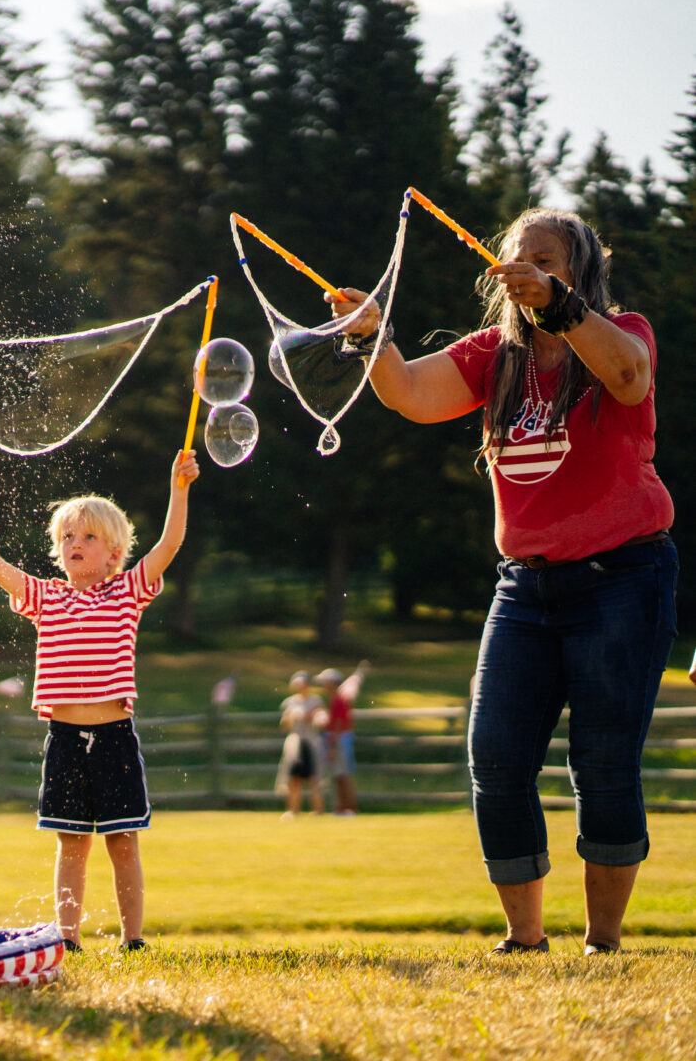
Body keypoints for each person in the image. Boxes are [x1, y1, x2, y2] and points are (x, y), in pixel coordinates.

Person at [337, 207, 676, 955]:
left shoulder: (625, 334)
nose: (523, 269)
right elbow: (412, 396)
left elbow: (627, 378)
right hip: (524, 587)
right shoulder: (492, 353)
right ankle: (524, 940)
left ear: (579, 272)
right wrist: (372, 335)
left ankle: (603, 943)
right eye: (516, 259)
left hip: (622, 576)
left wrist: (559, 308)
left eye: (545, 259)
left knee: (603, 763)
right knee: (494, 756)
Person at [0, 449, 199, 954]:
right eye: (67, 536)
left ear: (114, 553)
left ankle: (133, 940)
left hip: (113, 737)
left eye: (89, 537)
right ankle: (68, 939)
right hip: (65, 738)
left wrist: (179, 490)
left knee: (123, 842)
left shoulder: (128, 591)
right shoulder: (47, 598)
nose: (75, 544)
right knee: (72, 843)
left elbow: (170, 543)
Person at [276, 672, 327, 817]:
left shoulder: (316, 701)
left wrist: (313, 715)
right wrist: (290, 717)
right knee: (293, 777)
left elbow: (322, 720)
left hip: (311, 742)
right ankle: (293, 810)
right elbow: (284, 726)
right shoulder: (290, 702)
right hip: (295, 743)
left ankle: (318, 810)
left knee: (314, 777)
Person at [319, 663, 367, 816]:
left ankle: (350, 808)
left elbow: (339, 724)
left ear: (332, 683)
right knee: (338, 775)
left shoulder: (339, 699)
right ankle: (341, 807)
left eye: (325, 682)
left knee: (343, 775)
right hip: (336, 738)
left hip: (338, 739)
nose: (322, 686)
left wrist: (332, 746)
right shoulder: (335, 699)